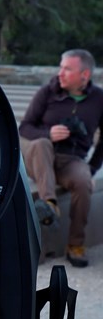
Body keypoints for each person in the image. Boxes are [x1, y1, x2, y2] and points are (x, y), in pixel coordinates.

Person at [19, 49, 103, 268]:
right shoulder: (47, 92)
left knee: (83, 182)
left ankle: (75, 245)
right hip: (39, 157)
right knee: (41, 143)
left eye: (67, 68)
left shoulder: (99, 100)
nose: (60, 73)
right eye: (60, 67)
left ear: (84, 75)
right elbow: (25, 127)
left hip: (70, 160)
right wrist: (48, 133)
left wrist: (91, 170)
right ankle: (49, 203)